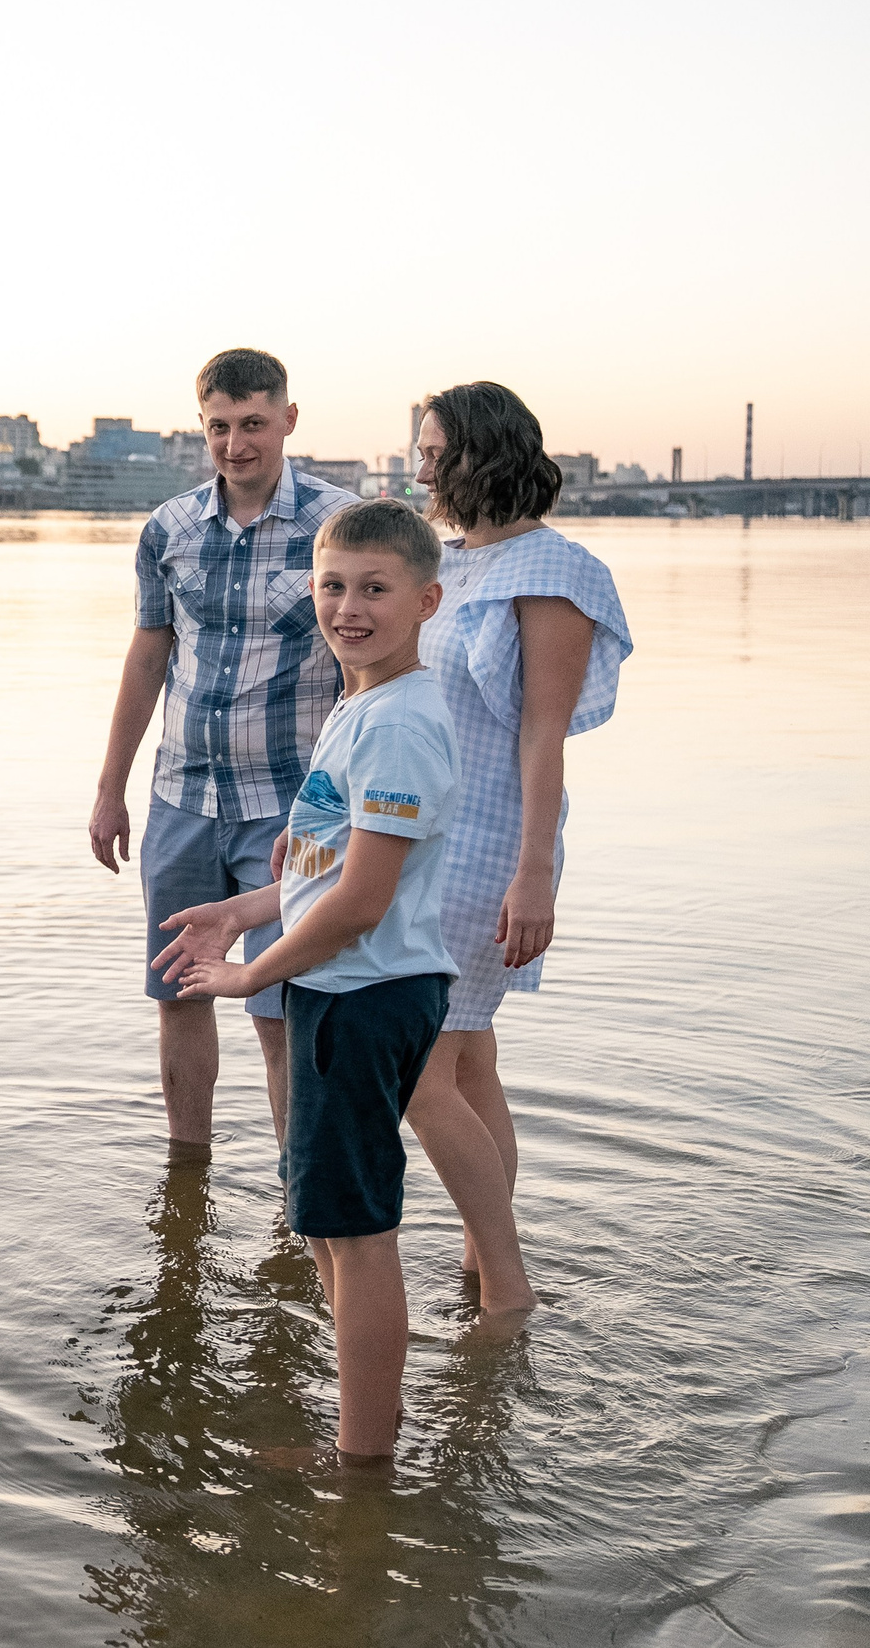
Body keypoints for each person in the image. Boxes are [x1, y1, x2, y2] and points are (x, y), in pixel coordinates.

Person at [153, 498, 459, 1463]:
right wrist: (243, 912)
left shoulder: (400, 724)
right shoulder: (360, 704)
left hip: (362, 997)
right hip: (356, 988)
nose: (349, 607)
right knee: (327, 1225)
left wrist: (252, 979)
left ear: (427, 599)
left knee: (356, 1235)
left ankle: (363, 1465)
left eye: (375, 589)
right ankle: (357, 1428)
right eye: (333, 586)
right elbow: (322, 863)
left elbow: (362, 900)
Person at [91, 348, 359, 1156]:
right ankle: (188, 1175)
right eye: (219, 427)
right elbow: (147, 659)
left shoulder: (336, 526)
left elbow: (373, 667)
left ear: (288, 420)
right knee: (179, 991)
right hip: (184, 797)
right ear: (200, 425)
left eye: (252, 425)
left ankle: (298, 1193)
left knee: (281, 1007)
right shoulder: (168, 529)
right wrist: (111, 788)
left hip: (290, 807)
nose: (236, 444)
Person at [403, 383, 632, 1317]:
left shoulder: (557, 571)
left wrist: (534, 871)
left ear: (479, 453)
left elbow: (545, 733)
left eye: (430, 449)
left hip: (488, 841)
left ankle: (505, 1277)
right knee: (468, 1061)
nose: (417, 464)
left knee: (417, 1067)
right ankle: (478, 1259)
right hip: (414, 838)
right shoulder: (447, 564)